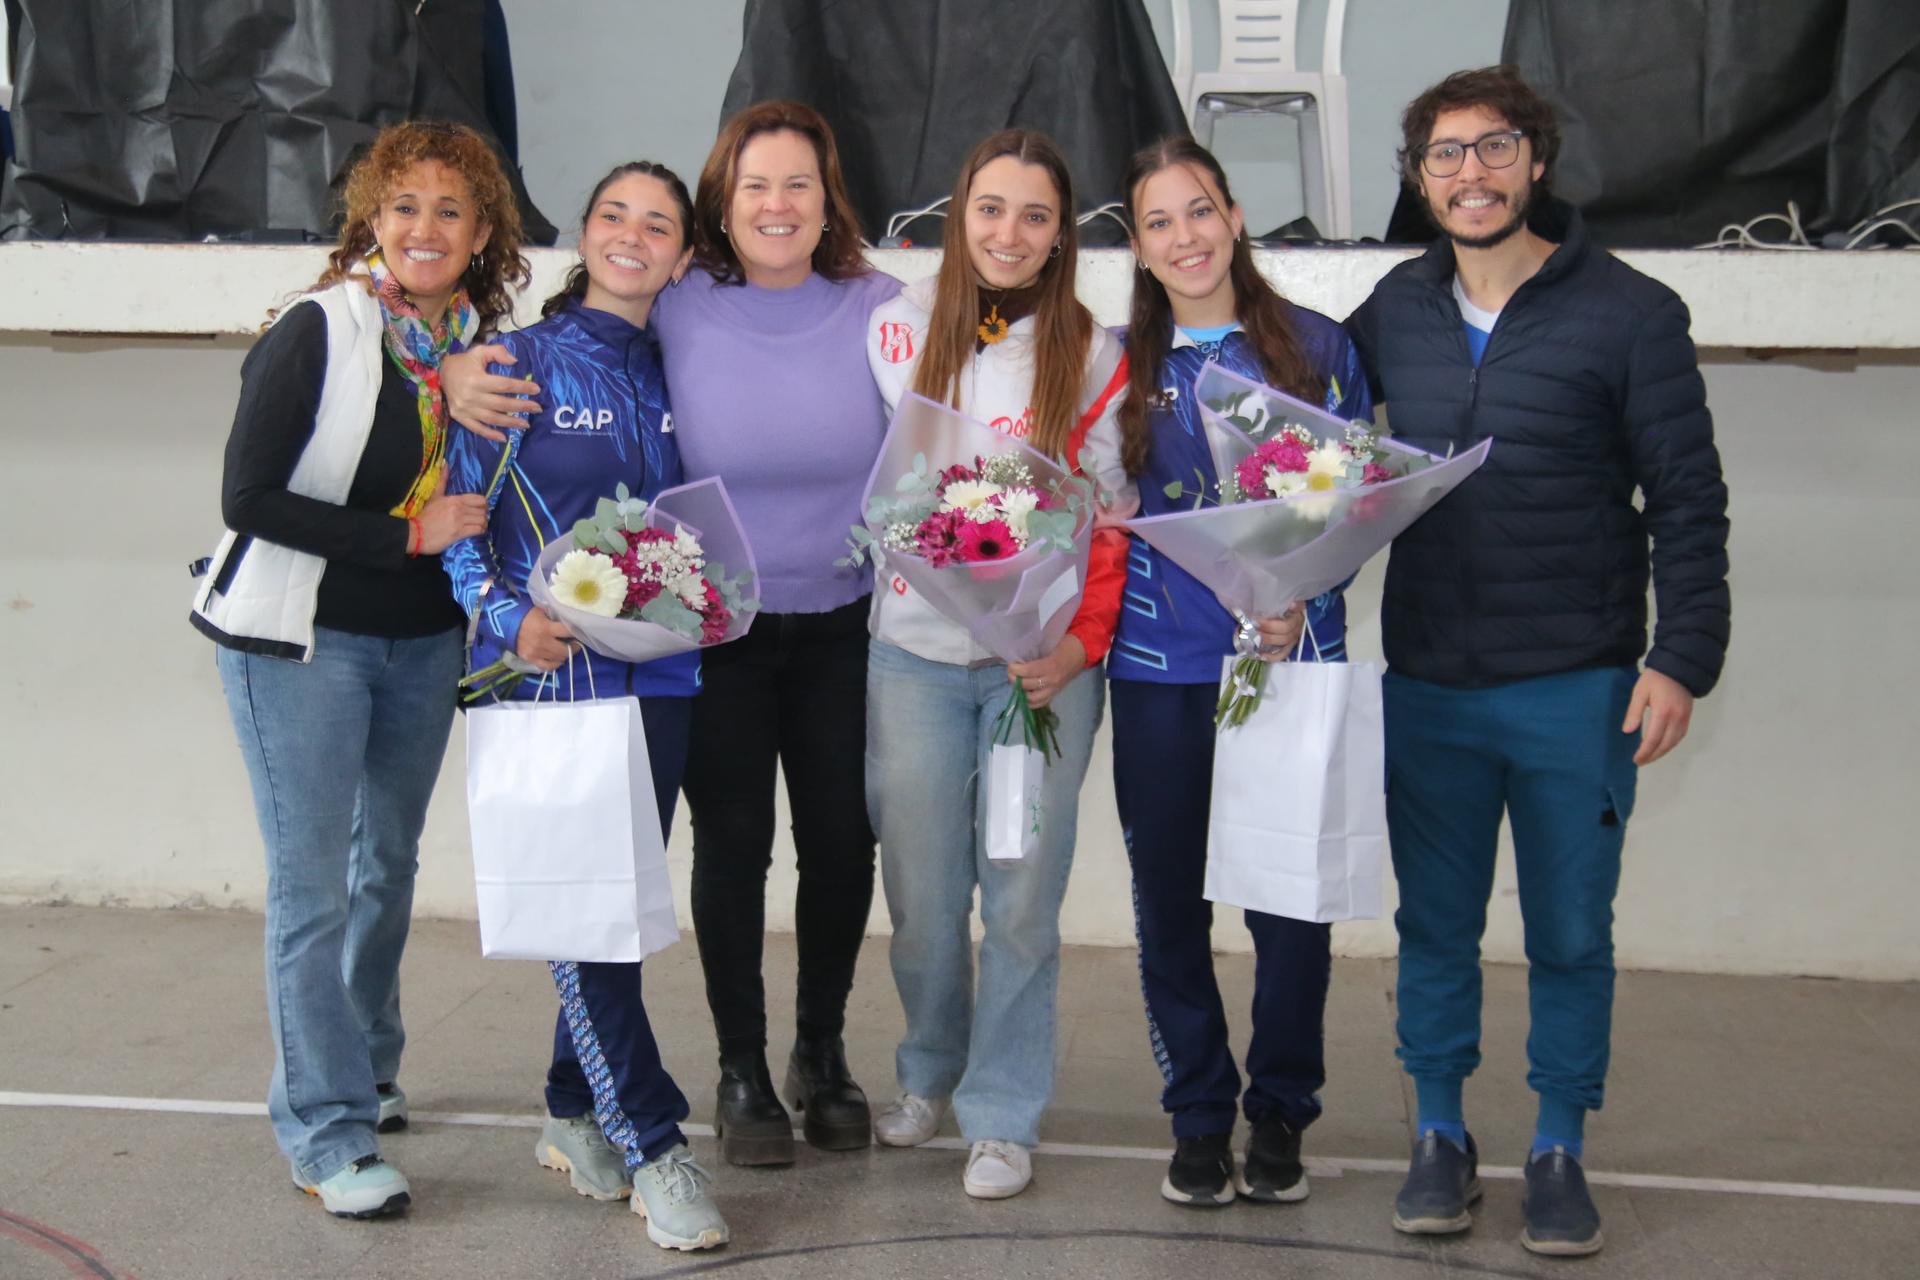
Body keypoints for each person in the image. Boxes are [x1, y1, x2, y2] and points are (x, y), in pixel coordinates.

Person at [442, 101, 899, 1167]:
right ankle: (738, 1069)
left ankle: (817, 1053)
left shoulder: (879, 307)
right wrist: (454, 367)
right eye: (754, 186)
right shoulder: (680, 302)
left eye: (798, 184)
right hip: (710, 638)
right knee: (727, 850)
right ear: (721, 214)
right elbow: (509, 361)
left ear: (827, 198)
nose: (777, 205)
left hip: (840, 626)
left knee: (840, 842)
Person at [1345, 66, 1731, 1257]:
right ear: (1418, 179)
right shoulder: (1387, 314)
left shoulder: (1631, 311)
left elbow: (1688, 501)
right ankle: (1441, 1134)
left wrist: (1682, 658)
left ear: (1537, 161)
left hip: (1579, 685)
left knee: (1570, 929)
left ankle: (1559, 1144)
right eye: (1446, 155)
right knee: (1434, 928)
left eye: (1495, 147)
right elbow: (1327, 482)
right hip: (1429, 686)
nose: (1472, 173)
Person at [189, 120, 525, 1218]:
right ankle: (325, 1133)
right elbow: (249, 500)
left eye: (449, 210)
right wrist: (407, 536)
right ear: (372, 219)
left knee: (387, 863)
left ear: (483, 233)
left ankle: (369, 1068)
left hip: (424, 647)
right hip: (303, 641)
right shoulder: (320, 330)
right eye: (403, 206)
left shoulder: (484, 346)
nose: (424, 228)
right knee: (313, 890)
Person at [440, 161, 728, 1252]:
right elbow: (456, 511)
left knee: (610, 904)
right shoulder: (518, 361)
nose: (634, 234)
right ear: (585, 230)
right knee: (586, 913)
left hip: (661, 673)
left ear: (684, 254)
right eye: (616, 214)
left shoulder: (683, 370)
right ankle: (654, 1140)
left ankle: (570, 1105)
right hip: (547, 676)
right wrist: (504, 615)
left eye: (659, 224)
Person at [863, 128, 1133, 1200]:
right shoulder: (891, 330)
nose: (1008, 233)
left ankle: (1004, 1108)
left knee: (1020, 897)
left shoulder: (1098, 353)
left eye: (1033, 214)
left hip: (1041, 673)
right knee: (924, 893)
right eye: (989, 209)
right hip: (913, 658)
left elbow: (1112, 516)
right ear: (954, 214)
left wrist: (1076, 647)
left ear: (1061, 231)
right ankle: (930, 1068)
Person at [1108, 136, 1372, 1208]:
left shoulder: (1315, 345)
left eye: (1200, 209)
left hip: (1288, 656)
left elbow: (1358, 501)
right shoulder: (1114, 359)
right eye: (1160, 220)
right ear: (1139, 243)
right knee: (1169, 898)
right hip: (1159, 664)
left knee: (1288, 903)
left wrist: (1297, 592)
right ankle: (1200, 1111)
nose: (1186, 236)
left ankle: (1279, 1113)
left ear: (1234, 213)